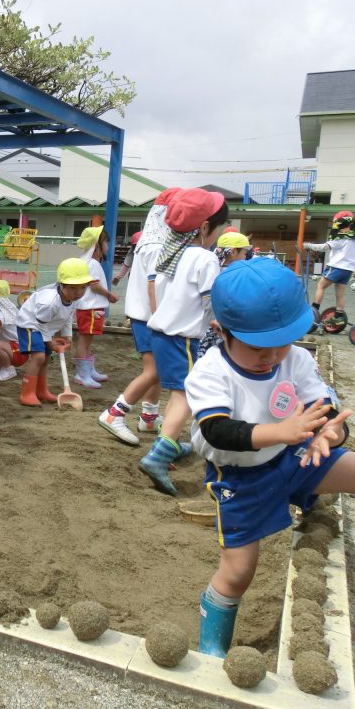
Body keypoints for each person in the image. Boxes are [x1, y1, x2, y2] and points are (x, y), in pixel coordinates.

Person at [186, 259, 355, 657]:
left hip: (296, 455)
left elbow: (325, 409)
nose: (273, 356)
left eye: (283, 342)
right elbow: (218, 431)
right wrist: (278, 432)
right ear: (221, 331)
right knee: (239, 571)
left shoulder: (293, 358)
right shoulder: (211, 372)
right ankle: (212, 651)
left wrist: (330, 433)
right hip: (240, 478)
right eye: (259, 347)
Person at [138, 188, 229, 495]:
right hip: (183, 339)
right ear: (204, 227)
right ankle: (159, 455)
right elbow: (210, 302)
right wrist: (223, 323)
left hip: (160, 334)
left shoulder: (166, 252)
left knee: (177, 392)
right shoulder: (204, 258)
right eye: (219, 227)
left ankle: (172, 443)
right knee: (185, 396)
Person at [98, 189, 181, 446]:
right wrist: (161, 318)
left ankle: (148, 417)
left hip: (145, 315)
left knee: (156, 370)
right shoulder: (157, 247)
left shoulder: (149, 242)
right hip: (150, 317)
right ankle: (115, 413)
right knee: (154, 370)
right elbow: (154, 286)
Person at [15, 258, 91, 406]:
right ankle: (27, 393)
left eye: (83, 287)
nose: (79, 292)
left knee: (46, 359)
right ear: (62, 285)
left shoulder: (73, 299)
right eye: (74, 288)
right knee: (38, 357)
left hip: (45, 327)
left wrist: (67, 335)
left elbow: (68, 315)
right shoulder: (50, 302)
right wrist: (50, 342)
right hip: (30, 324)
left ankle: (41, 391)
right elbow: (40, 322)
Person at [72, 225, 119, 388]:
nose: (108, 246)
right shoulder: (92, 263)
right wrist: (109, 295)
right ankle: (82, 373)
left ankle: (88, 370)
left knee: (87, 341)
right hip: (89, 308)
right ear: (96, 245)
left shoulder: (91, 262)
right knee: (84, 341)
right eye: (105, 242)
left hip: (91, 308)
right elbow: (94, 285)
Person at [197, 232, 254, 358]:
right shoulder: (238, 274)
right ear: (233, 252)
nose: (246, 257)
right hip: (225, 326)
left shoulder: (212, 268)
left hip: (205, 328)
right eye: (244, 253)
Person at [304, 210, 355, 327]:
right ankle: (339, 316)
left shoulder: (341, 238)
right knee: (339, 295)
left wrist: (309, 245)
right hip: (347, 270)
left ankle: (314, 310)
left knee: (321, 286)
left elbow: (325, 247)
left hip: (336, 267)